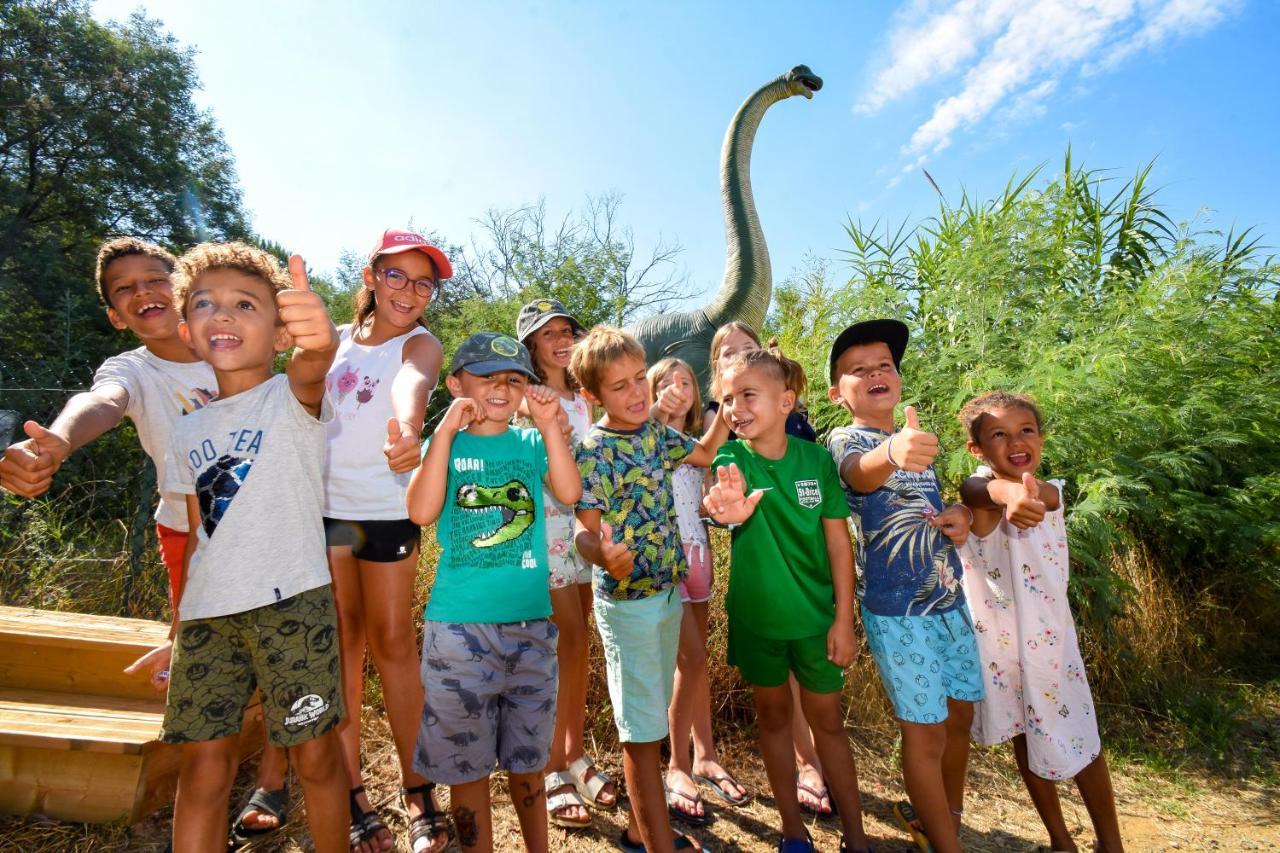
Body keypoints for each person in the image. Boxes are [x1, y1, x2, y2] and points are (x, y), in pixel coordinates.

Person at [126, 241, 348, 852]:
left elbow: (315, 363)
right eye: (205, 304)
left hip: (292, 608)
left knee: (317, 760)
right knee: (202, 770)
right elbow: (200, 537)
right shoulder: (187, 428)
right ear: (188, 329)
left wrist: (319, 338)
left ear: (278, 333)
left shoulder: (291, 396)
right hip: (207, 620)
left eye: (244, 304)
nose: (221, 315)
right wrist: (177, 630)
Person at [247, 229, 450, 852]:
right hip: (324, 512)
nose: (409, 292)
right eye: (398, 276)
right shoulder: (331, 339)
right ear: (371, 276)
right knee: (340, 647)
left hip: (387, 512)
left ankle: (419, 792)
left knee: (393, 645)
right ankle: (355, 791)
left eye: (424, 282)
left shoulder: (422, 343)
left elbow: (409, 384)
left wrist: (409, 429)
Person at [405, 332, 581, 853]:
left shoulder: (530, 444)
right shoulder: (448, 447)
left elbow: (569, 492)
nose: (502, 387)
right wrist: (440, 437)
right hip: (458, 628)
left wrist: (551, 428)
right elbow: (420, 511)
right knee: (466, 765)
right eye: (487, 376)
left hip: (530, 625)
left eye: (514, 378)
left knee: (529, 762)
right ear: (457, 383)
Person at [701, 346, 871, 853]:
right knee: (773, 721)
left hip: (818, 621)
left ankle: (856, 837)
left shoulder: (816, 461)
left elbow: (839, 544)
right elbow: (719, 501)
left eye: (748, 394)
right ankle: (792, 832)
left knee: (828, 727)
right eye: (728, 398)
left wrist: (845, 619)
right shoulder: (730, 459)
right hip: (757, 622)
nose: (735, 407)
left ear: (785, 401)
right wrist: (721, 513)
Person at [570, 326, 729, 853]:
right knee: (640, 737)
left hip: (666, 595)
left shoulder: (657, 435)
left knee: (653, 719)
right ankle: (657, 844)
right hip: (628, 606)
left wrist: (728, 401)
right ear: (593, 395)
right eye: (619, 386)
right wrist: (602, 554)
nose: (637, 392)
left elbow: (704, 455)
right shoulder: (591, 448)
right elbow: (583, 531)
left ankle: (641, 830)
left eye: (640, 377)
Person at [824, 319, 979, 853]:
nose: (874, 374)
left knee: (961, 714)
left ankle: (943, 820)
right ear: (836, 393)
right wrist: (892, 452)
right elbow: (858, 474)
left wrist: (956, 514)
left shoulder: (914, 437)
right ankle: (947, 846)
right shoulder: (849, 439)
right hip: (897, 614)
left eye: (884, 365)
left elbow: (932, 509)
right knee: (925, 730)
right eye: (857, 370)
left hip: (950, 601)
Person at [0, 237, 215, 609]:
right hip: (184, 528)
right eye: (124, 288)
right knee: (193, 643)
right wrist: (61, 438)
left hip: (270, 523)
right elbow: (102, 401)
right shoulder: (131, 369)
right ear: (116, 316)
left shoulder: (238, 344)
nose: (142, 291)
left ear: (185, 289)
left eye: (155, 279)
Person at [957, 392, 1124, 852]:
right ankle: (1060, 840)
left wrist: (1022, 494)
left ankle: (1111, 842)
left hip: (1053, 646)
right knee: (1024, 736)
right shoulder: (977, 493)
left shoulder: (1051, 491)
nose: (1016, 441)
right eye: (998, 434)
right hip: (1000, 651)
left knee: (1082, 737)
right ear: (977, 449)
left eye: (1026, 430)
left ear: (1041, 438)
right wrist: (1006, 492)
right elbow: (979, 495)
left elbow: (1044, 498)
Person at [705, 321, 829, 815]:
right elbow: (715, 491)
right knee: (777, 692)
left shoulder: (799, 431)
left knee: (809, 683)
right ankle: (804, 765)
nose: (738, 359)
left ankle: (815, 763)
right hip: (765, 583)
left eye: (748, 351)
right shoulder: (727, 433)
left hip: (809, 579)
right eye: (726, 356)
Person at [514, 298, 619, 829]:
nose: (559, 339)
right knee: (566, 641)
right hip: (545, 534)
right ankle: (552, 766)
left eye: (565, 329)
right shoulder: (525, 397)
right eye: (546, 333)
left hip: (584, 531)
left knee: (581, 644)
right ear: (530, 345)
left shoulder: (581, 396)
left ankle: (575, 753)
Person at [647, 357, 748, 826]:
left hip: (699, 554)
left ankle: (702, 756)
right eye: (667, 381)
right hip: (665, 560)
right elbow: (703, 450)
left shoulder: (688, 442)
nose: (678, 387)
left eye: (686, 381)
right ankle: (676, 766)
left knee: (697, 662)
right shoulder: (645, 436)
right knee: (685, 660)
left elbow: (706, 474)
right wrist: (723, 417)